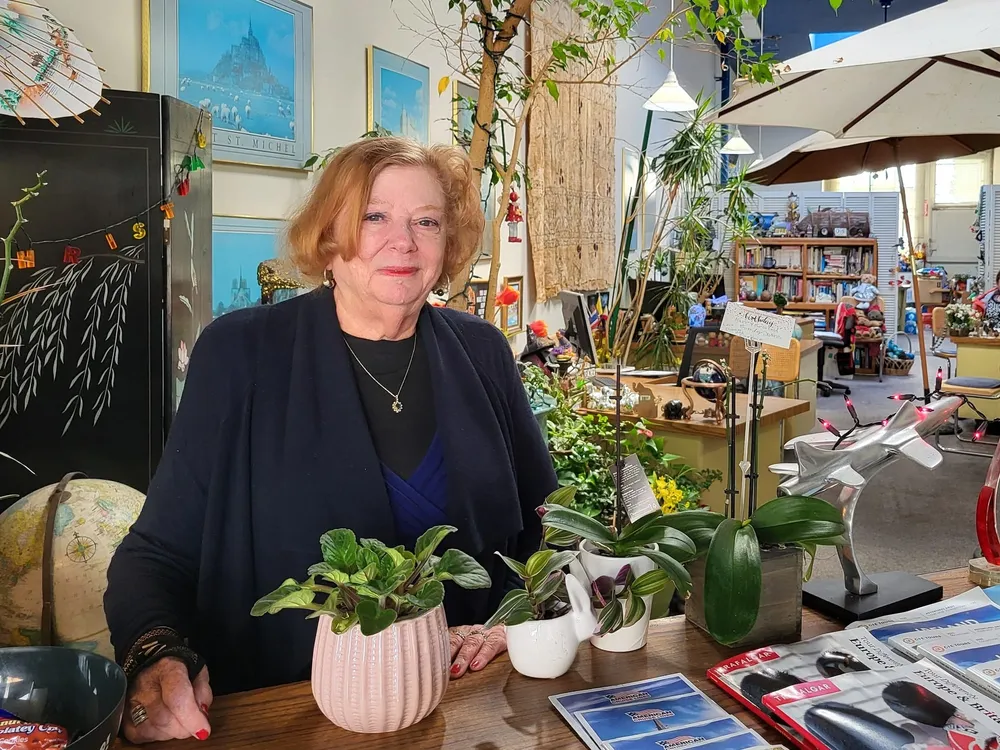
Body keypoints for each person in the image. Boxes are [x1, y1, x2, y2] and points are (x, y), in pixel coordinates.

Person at [104, 137, 557, 744]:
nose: (403, 241)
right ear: (328, 236)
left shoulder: (483, 352)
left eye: (426, 221)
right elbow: (156, 554)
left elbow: (547, 527)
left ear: (448, 242)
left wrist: (511, 622)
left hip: (469, 709)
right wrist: (156, 656)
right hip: (291, 716)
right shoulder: (241, 354)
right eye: (374, 217)